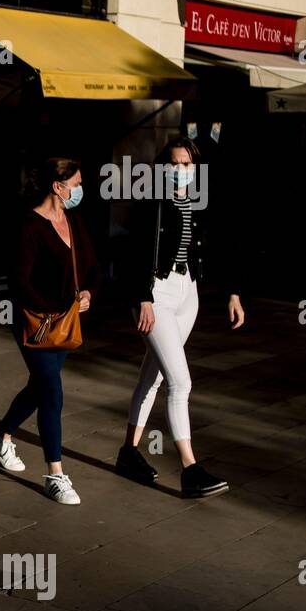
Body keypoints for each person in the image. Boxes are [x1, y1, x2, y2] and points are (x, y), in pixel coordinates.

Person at [114, 137, 244, 498]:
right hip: (156, 292)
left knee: (153, 377)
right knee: (180, 382)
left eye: (186, 164)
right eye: (173, 163)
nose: (179, 170)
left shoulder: (201, 200)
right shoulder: (150, 200)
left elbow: (222, 244)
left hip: (188, 292)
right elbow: (134, 251)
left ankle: (128, 453)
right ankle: (190, 469)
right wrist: (142, 298)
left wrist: (232, 292)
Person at [0, 158, 101, 505]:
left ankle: (0, 436)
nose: (80, 191)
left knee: (39, 387)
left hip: (64, 324)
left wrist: (88, 293)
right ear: (57, 186)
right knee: (52, 391)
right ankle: (55, 473)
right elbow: (19, 281)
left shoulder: (75, 221)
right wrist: (53, 308)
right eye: (76, 184)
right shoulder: (29, 226)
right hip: (34, 321)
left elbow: (92, 267)